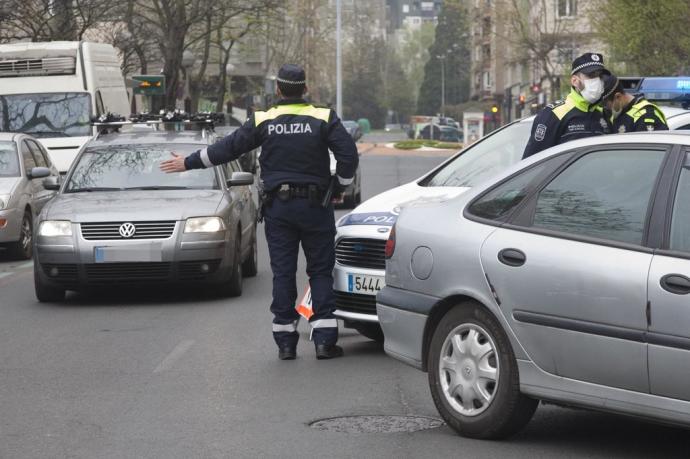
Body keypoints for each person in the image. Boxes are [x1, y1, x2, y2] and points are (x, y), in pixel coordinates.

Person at [160, 64, 358, 360]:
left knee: (283, 273)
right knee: (319, 271)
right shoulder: (323, 117)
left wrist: (187, 162)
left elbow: (227, 148)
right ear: (305, 89)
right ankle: (324, 341)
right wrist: (339, 184)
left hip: (279, 209)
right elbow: (348, 156)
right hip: (316, 207)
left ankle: (286, 343)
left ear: (277, 89)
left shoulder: (263, 119)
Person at [523, 53, 612, 159]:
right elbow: (532, 161)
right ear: (575, 81)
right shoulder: (554, 114)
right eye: (591, 75)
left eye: (600, 76)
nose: (597, 81)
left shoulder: (604, 114)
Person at [601, 73, 668, 133]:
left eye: (606, 104)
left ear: (618, 97)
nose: (606, 108)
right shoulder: (618, 114)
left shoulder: (646, 115)